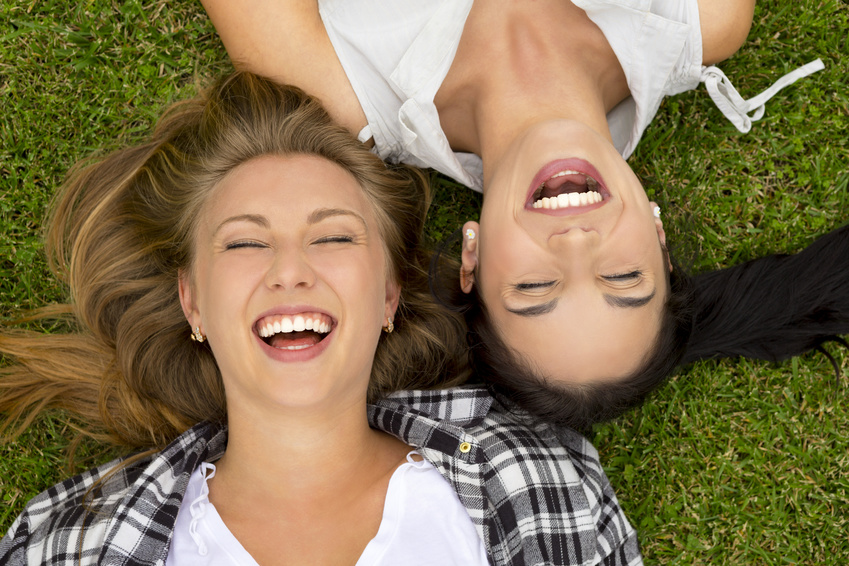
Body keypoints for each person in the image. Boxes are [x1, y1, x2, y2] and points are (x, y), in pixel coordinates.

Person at [0, 72, 642, 565]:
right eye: (245, 243)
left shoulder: (549, 486)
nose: (290, 270)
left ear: (389, 296)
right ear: (192, 302)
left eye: (334, 239)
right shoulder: (63, 545)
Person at [198, 0, 832, 428]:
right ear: (660, 239)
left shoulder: (335, 88)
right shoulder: (702, 14)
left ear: (471, 259)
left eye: (535, 286)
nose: (576, 243)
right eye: (623, 278)